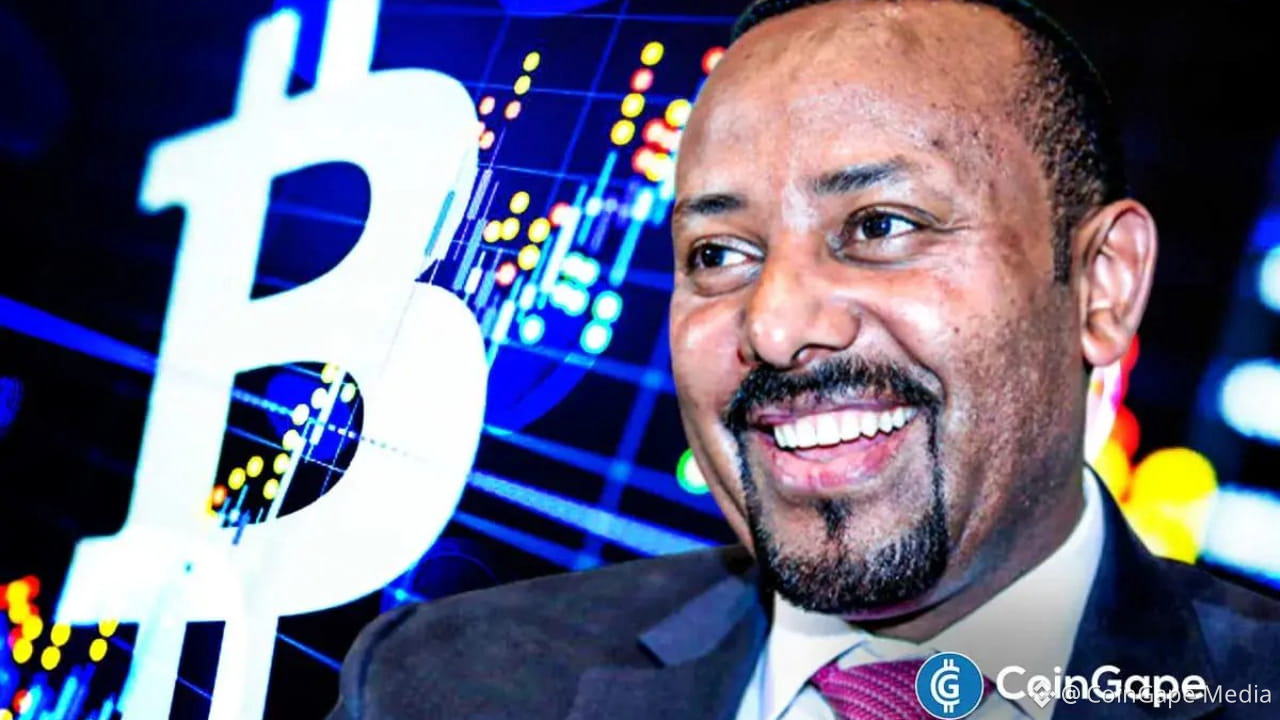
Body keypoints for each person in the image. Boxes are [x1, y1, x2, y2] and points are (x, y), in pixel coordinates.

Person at [328, 1, 1280, 717]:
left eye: (881, 225)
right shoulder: (439, 683)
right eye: (718, 254)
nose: (776, 326)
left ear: (1102, 285)